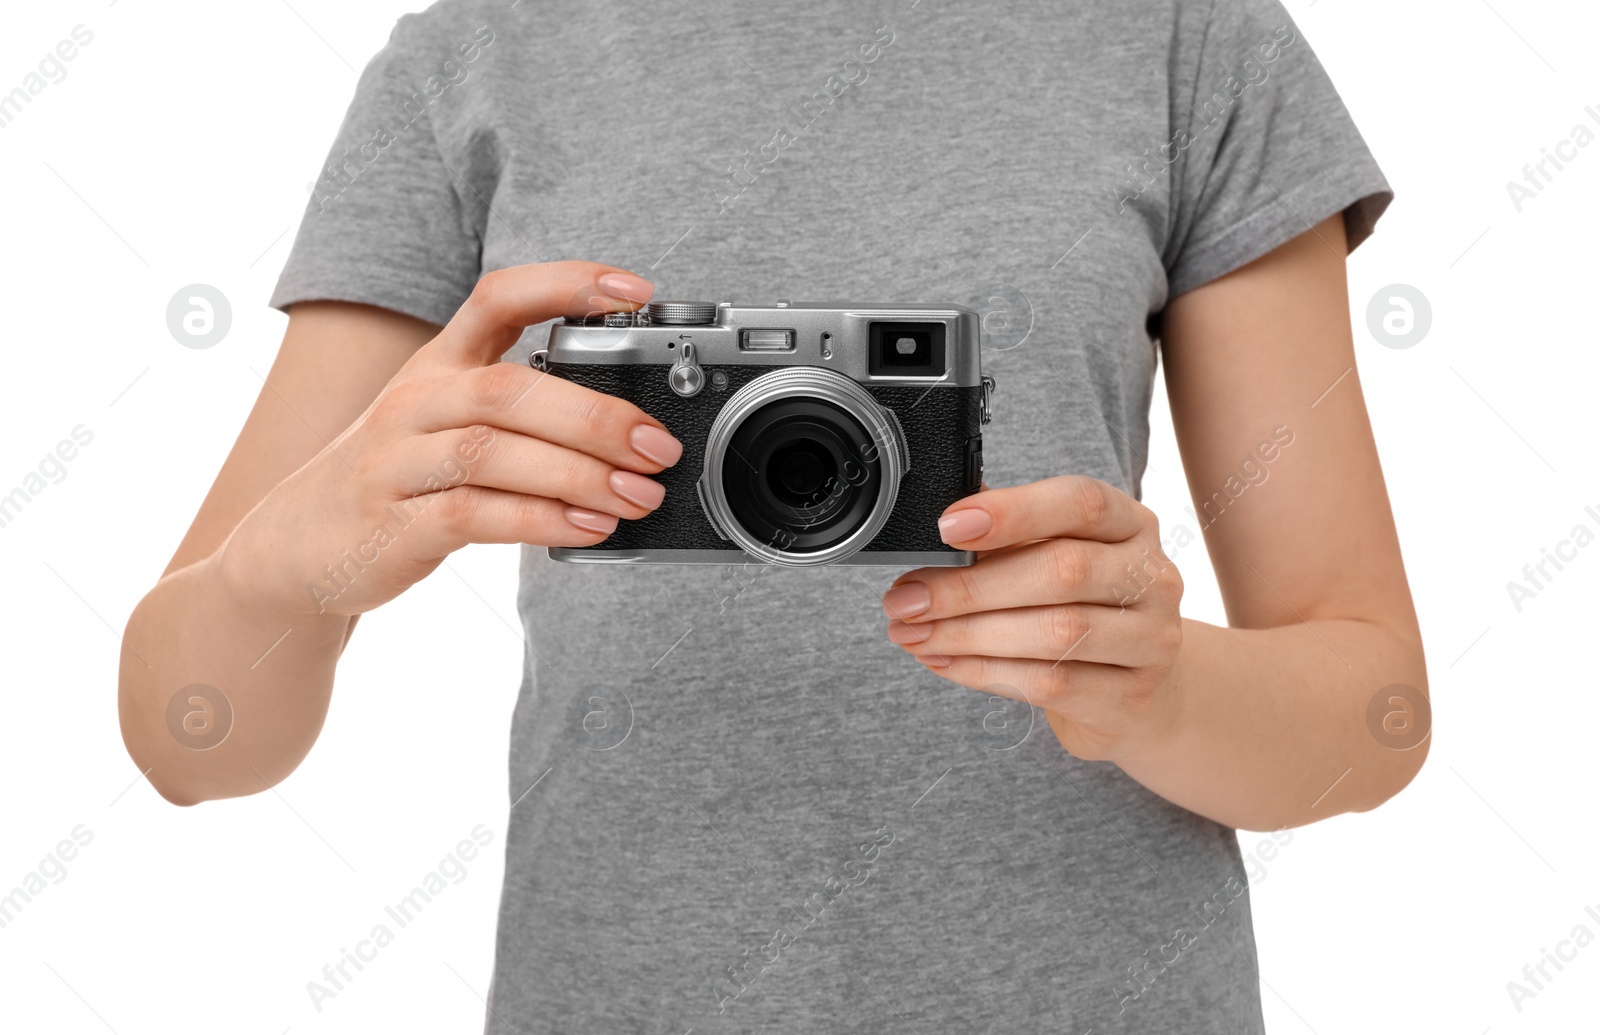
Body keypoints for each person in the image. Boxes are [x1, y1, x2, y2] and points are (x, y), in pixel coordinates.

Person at [117, 1, 1428, 1030]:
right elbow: (192, 737)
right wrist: (286, 576)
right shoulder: (478, 52)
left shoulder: (1192, 38)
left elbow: (1374, 712)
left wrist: (1160, 684)